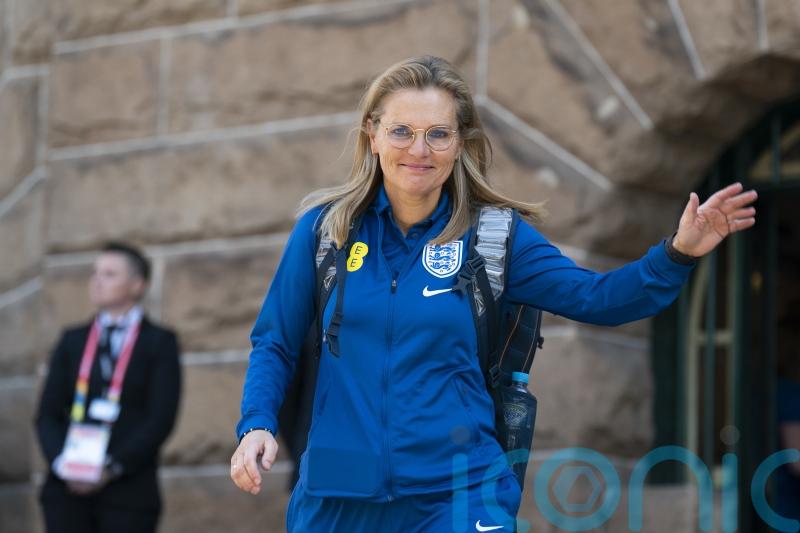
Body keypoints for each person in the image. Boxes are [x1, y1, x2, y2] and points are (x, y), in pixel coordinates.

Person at [230, 55, 757, 532]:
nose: (419, 150)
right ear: (373, 135)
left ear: (460, 142)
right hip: (338, 495)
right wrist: (256, 425)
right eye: (401, 131)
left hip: (459, 495)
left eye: (438, 134)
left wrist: (678, 253)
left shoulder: (495, 238)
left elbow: (598, 298)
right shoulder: (325, 233)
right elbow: (275, 342)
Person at [35, 242, 182, 533]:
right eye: (95, 273)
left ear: (137, 284)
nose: (97, 281)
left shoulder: (159, 342)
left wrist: (111, 467)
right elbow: (47, 414)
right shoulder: (72, 340)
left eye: (109, 274)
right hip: (67, 494)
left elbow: (160, 418)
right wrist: (63, 464)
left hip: (128, 494)